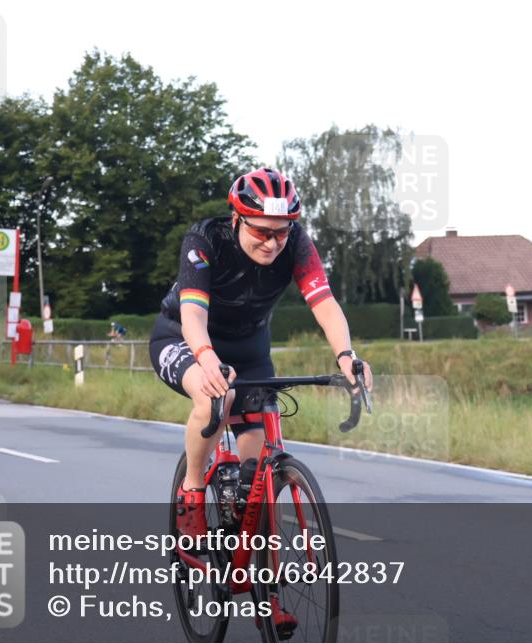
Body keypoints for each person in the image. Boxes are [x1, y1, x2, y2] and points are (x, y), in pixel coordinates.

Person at [150, 167, 373, 542]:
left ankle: (251, 554)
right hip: (184, 337)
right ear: (237, 218)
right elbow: (193, 314)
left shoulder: (298, 244)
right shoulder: (206, 239)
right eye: (261, 231)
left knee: (256, 469)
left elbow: (324, 303)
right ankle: (191, 491)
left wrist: (347, 357)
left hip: (249, 349)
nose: (272, 243)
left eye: (281, 232)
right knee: (217, 397)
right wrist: (206, 359)